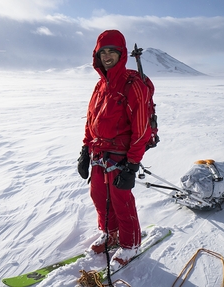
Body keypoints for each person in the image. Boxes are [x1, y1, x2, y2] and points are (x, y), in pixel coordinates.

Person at [77, 30, 154, 267]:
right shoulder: (100, 85)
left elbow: (141, 129)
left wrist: (131, 165)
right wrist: (84, 150)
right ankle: (110, 234)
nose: (107, 56)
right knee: (99, 197)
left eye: (112, 51)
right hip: (99, 153)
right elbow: (91, 120)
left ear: (121, 54)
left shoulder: (133, 83)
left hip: (121, 155)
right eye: (103, 52)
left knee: (121, 200)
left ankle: (130, 244)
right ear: (96, 55)